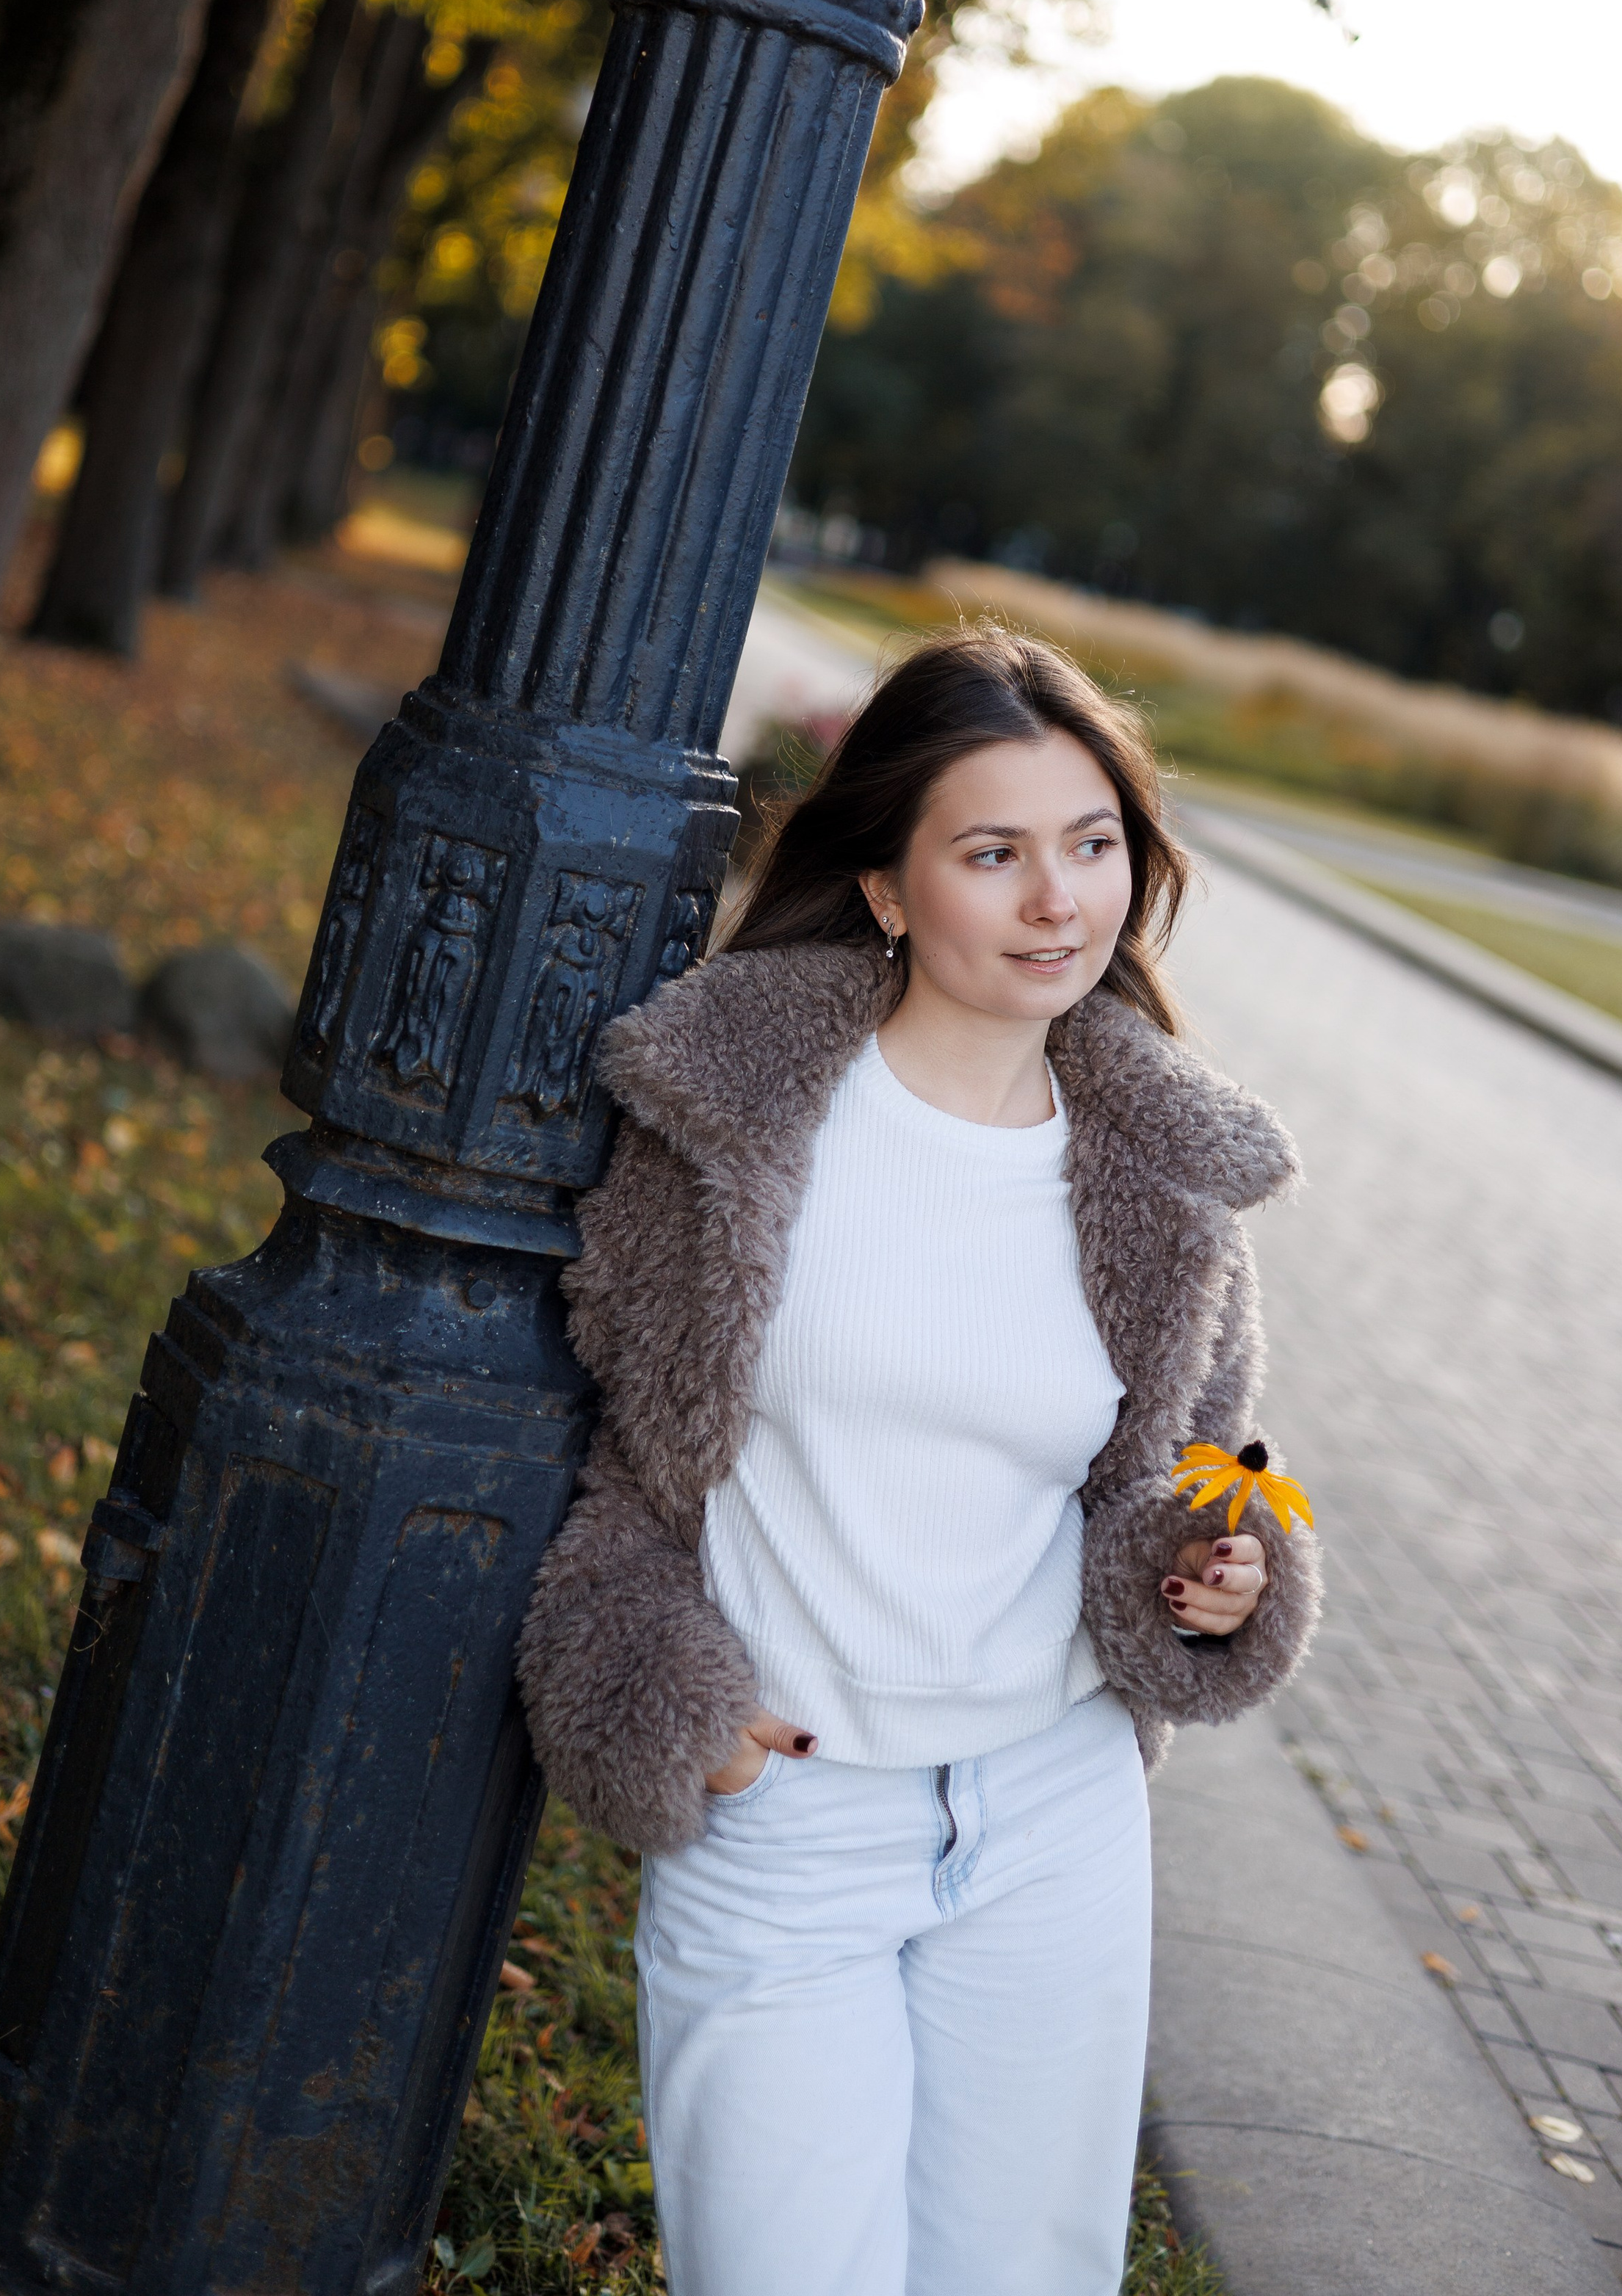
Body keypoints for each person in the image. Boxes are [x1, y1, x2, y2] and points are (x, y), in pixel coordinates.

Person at [518, 626, 1320, 2296]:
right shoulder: (725, 1123)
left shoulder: (1166, 1175)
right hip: (786, 1816)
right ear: (886, 887)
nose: (1058, 901)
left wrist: (1217, 1577)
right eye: (993, 853)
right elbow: (618, 1464)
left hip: (1051, 1816)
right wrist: (668, 1706)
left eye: (1090, 845)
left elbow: (1184, 1479)